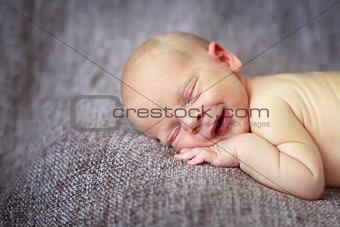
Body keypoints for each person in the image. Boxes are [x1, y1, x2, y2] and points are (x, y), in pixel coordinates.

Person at [121, 32, 340, 200]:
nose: (190, 121)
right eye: (174, 130)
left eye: (190, 94)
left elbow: (309, 181)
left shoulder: (267, 107)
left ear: (224, 60)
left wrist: (239, 151)